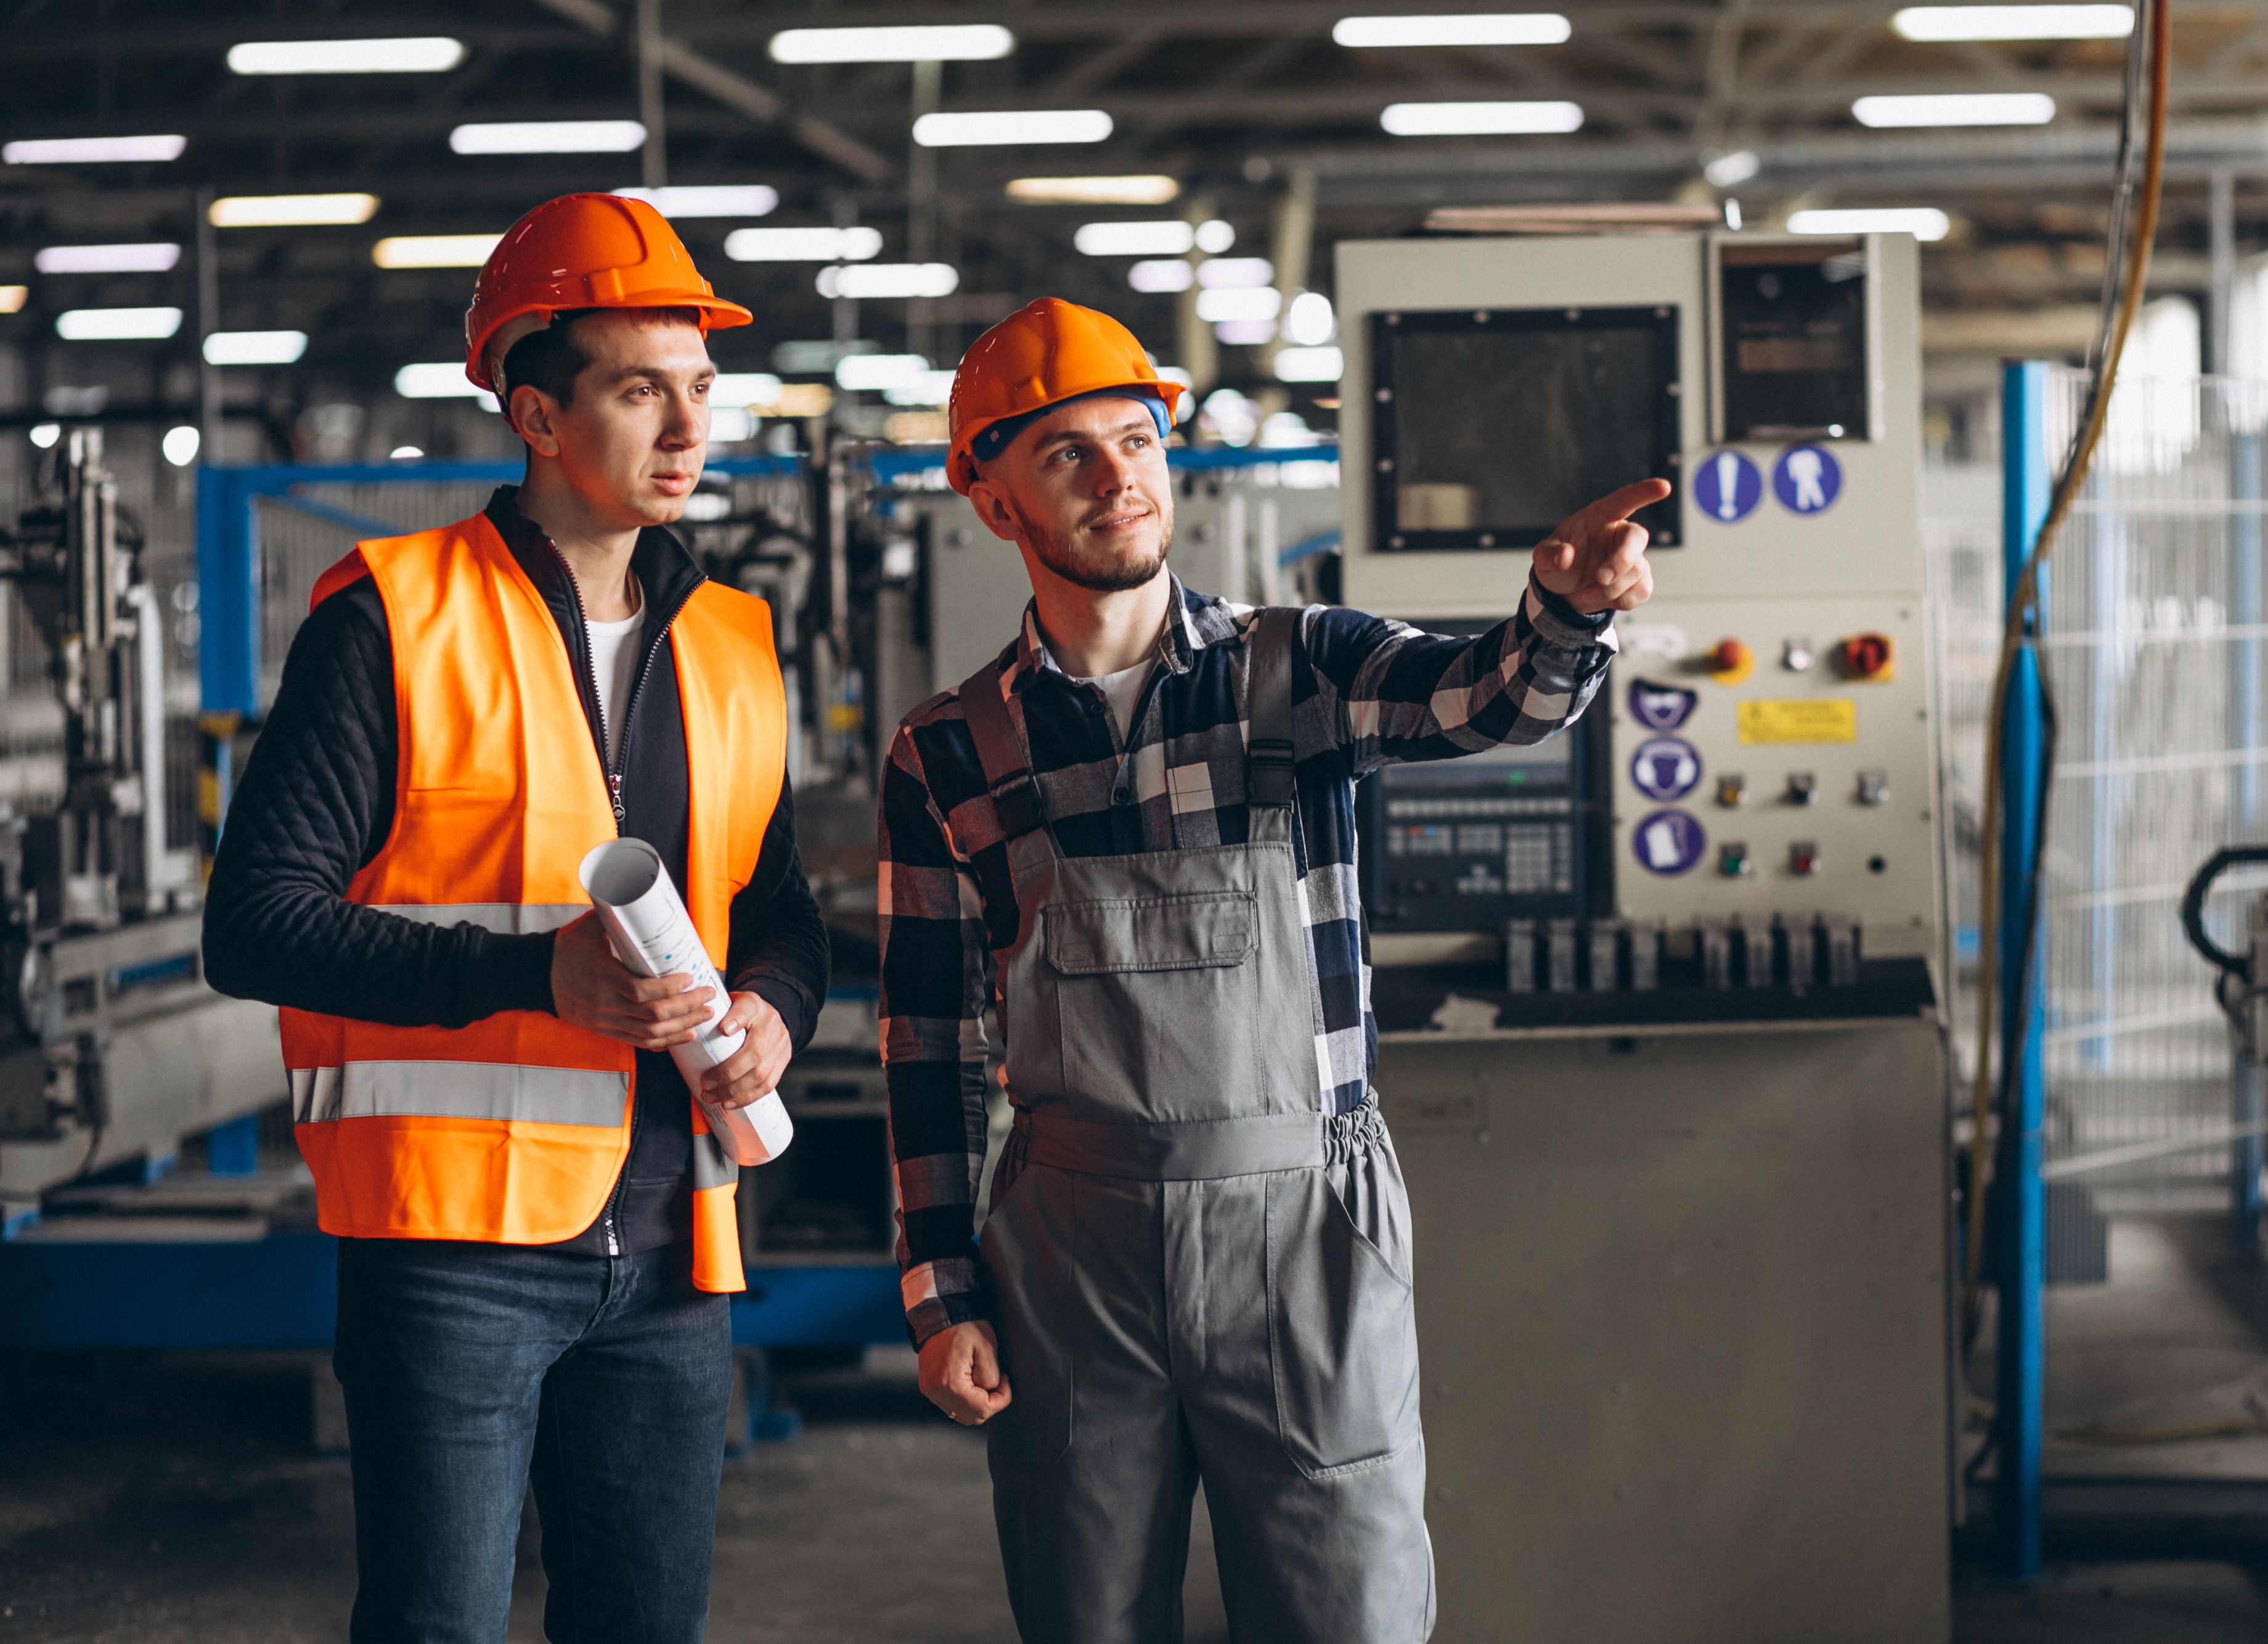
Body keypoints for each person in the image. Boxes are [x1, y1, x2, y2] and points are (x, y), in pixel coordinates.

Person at [876, 296, 1664, 1643]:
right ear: (991, 498)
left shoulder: (1297, 675)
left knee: (1340, 1608)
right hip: (1071, 1243)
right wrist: (942, 1291)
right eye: (1066, 451)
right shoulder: (947, 749)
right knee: (1085, 1612)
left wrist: (1563, 616)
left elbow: (1483, 696)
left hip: (1303, 1224)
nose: (1119, 473)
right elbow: (924, 1044)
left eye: (1136, 437)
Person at [203, 193, 829, 1644]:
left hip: (678, 1241)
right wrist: (533, 977)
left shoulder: (733, 639)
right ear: (538, 414)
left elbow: (780, 907)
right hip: (453, 1250)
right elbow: (257, 923)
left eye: (697, 391)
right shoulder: (393, 618)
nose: (686, 429)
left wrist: (773, 1015)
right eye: (638, 391)